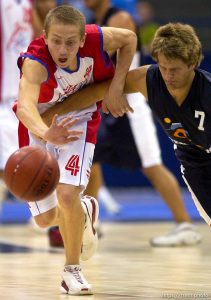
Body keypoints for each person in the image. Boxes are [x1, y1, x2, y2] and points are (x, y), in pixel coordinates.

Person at [14, 5, 137, 295]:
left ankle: (72, 272)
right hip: (39, 124)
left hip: (78, 118)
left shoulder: (98, 38)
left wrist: (117, 84)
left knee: (67, 193)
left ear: (83, 40)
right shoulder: (36, 61)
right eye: (56, 40)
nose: (63, 48)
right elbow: (25, 107)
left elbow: (130, 38)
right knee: (44, 219)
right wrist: (46, 133)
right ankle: (84, 210)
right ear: (44, 36)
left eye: (71, 41)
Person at [44, 23, 211, 235]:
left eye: (175, 69)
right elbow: (95, 91)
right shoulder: (148, 79)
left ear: (192, 64)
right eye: (163, 67)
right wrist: (53, 113)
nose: (168, 76)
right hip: (194, 161)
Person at [83, 0, 202, 246]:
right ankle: (88, 224)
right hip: (108, 104)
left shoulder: (120, 19)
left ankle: (185, 224)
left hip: (130, 105)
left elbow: (112, 64)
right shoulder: (93, 22)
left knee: (151, 165)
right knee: (91, 158)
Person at [0, 0, 34, 212]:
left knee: (26, 167)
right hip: (5, 96)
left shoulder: (32, 4)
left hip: (28, 96)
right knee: (8, 168)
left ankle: (50, 220)